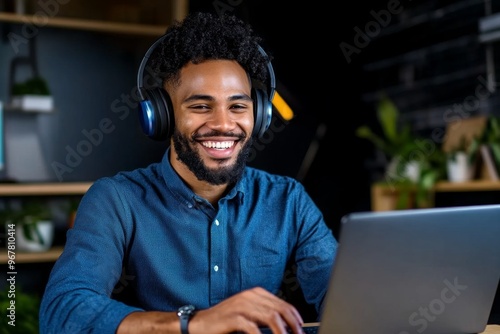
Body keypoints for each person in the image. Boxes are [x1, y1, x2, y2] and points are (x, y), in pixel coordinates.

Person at [39, 11, 337, 334]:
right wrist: (192, 323)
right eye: (200, 106)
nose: (224, 124)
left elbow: (346, 297)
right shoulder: (115, 200)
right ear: (162, 117)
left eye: (238, 106)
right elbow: (63, 311)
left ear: (260, 115)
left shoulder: (288, 201)